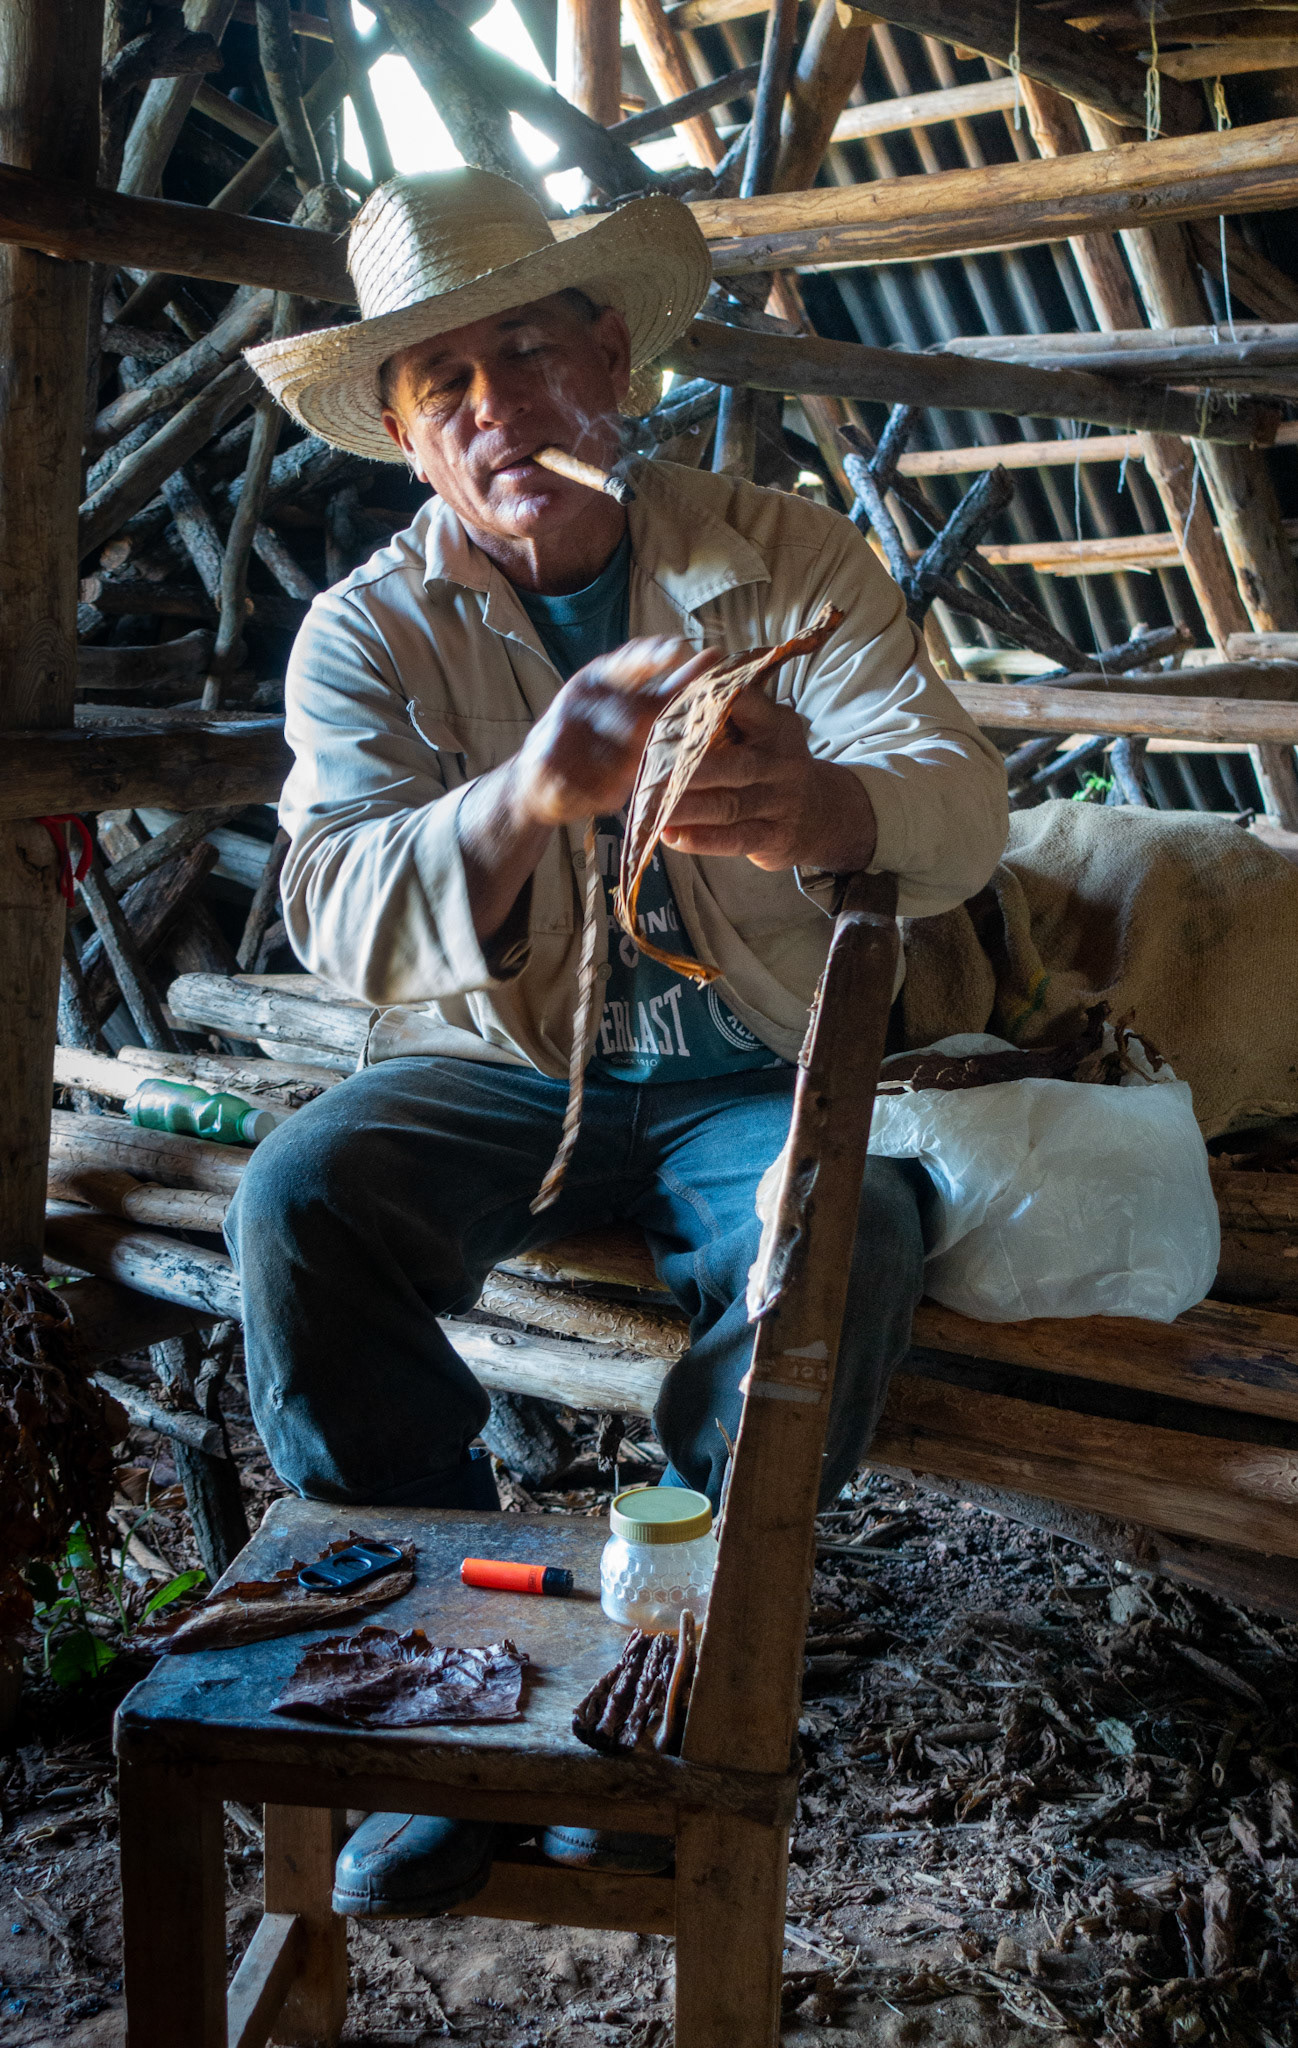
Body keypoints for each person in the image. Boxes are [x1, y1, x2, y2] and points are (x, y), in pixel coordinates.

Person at [233, 167, 1008, 1916]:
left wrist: (819, 803)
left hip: (747, 1061)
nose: (499, 410)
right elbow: (341, 908)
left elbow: (961, 807)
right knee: (301, 1201)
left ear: (612, 358)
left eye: (528, 352)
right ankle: (429, 1683)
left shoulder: (786, 553)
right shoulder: (369, 629)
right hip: (497, 1076)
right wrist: (521, 795)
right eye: (447, 386)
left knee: (843, 1238)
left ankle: (662, 1659)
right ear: (409, 435)